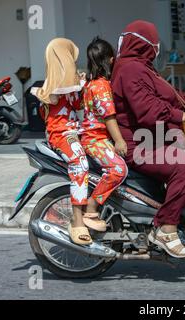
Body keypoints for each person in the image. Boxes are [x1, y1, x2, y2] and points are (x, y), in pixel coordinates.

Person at [112, 20, 185, 259]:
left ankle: (181, 213)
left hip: (154, 137)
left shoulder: (142, 67)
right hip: (138, 144)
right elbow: (148, 109)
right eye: (153, 44)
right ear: (142, 44)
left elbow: (170, 95)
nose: (156, 49)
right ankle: (166, 227)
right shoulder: (130, 69)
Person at [31, 38, 92, 245]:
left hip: (77, 131)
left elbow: (78, 106)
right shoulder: (49, 89)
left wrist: (80, 86)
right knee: (80, 164)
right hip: (62, 135)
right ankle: (77, 220)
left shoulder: (71, 84)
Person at [79, 37, 128, 231]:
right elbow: (109, 117)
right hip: (95, 140)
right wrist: (119, 141)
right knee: (118, 170)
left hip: (97, 138)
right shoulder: (100, 87)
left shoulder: (93, 83)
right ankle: (92, 207)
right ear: (109, 60)